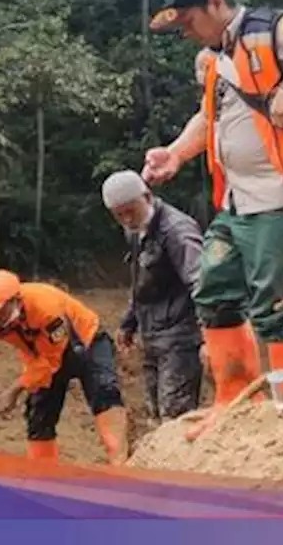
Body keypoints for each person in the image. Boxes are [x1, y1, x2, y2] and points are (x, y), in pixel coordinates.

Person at [142, 0, 283, 440]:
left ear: (215, 3)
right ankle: (236, 398)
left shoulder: (269, 31)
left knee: (276, 300)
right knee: (214, 289)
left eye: (189, 20)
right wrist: (175, 153)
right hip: (237, 203)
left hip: (281, 198)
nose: (187, 33)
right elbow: (209, 119)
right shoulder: (217, 59)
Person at [0, 270, 127, 464]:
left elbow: (50, 361)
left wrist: (13, 391)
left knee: (105, 392)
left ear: (14, 302)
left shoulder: (46, 307)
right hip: (38, 355)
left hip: (85, 341)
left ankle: (120, 465)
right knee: (39, 415)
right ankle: (44, 475)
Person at [103, 170, 205, 424]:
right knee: (156, 415)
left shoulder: (177, 231)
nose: (127, 219)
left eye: (131, 211)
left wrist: (210, 336)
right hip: (152, 335)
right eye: (119, 215)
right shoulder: (137, 230)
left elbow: (201, 283)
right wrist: (129, 323)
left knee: (176, 417)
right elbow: (141, 281)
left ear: (147, 197)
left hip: (181, 337)